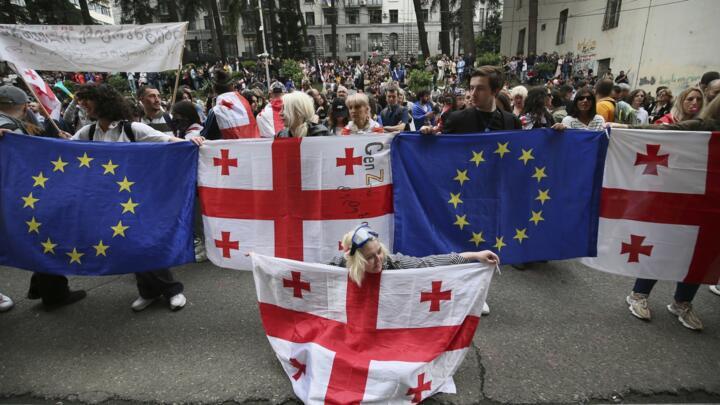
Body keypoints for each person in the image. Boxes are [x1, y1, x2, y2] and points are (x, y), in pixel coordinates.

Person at [72, 84, 203, 312]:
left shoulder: (133, 129)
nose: (82, 105)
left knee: (143, 242)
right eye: (81, 101)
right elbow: (58, 148)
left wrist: (192, 142)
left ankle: (172, 289)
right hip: (107, 200)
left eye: (87, 100)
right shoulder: (87, 132)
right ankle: (148, 291)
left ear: (103, 102)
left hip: (136, 198)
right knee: (127, 245)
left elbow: (167, 141)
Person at [0, 85, 87, 309]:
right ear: (20, 106)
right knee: (44, 238)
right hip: (23, 195)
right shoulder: (8, 130)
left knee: (36, 237)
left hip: (15, 195)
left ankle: (40, 287)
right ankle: (54, 294)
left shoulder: (12, 127)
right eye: (26, 106)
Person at [328, 223, 498, 315]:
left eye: (378, 251)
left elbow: (428, 263)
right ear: (356, 262)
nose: (378, 259)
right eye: (369, 257)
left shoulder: (392, 262)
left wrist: (474, 255)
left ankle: (468, 295)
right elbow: (312, 276)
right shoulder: (339, 266)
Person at [421, 66, 521, 134]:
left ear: (495, 91)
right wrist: (427, 134)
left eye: (480, 88)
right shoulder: (456, 119)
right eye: (472, 88)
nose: (473, 93)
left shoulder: (512, 122)